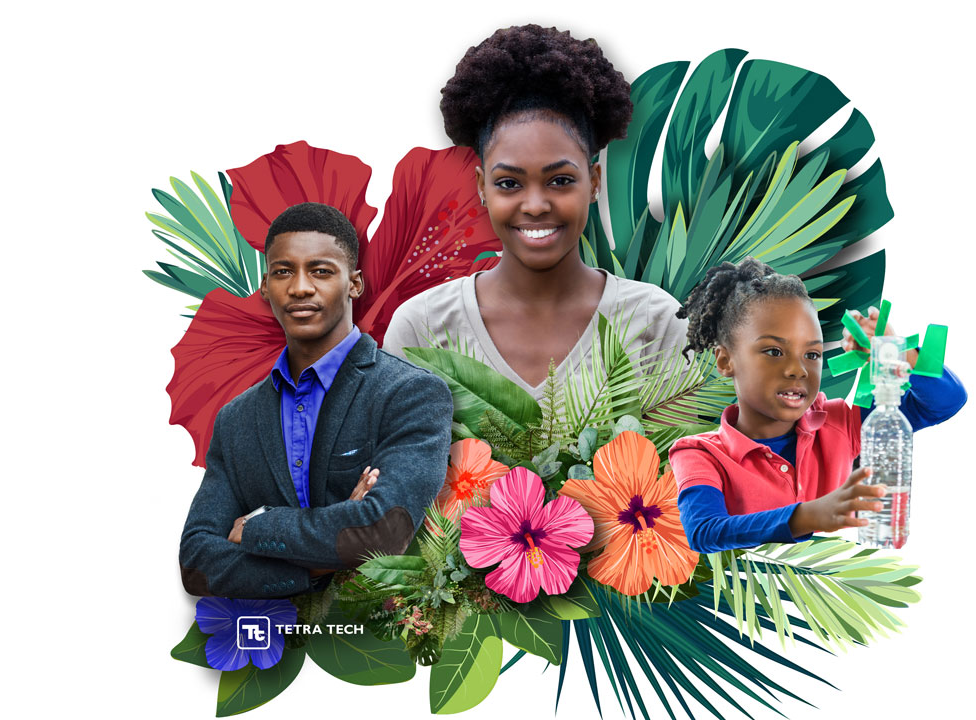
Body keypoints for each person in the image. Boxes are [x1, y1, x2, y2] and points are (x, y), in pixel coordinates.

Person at [384, 25, 687, 399]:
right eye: (509, 183)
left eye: (560, 181)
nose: (535, 205)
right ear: (481, 187)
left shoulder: (656, 323)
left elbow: (688, 457)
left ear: (594, 181)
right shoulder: (422, 327)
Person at [179, 202, 453, 598]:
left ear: (354, 284)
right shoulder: (236, 419)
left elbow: (384, 530)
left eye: (321, 271)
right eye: (283, 271)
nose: (300, 287)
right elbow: (197, 564)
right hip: (276, 635)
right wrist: (319, 566)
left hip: (380, 635)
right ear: (265, 285)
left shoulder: (410, 393)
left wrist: (257, 525)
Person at [668, 258, 967, 553]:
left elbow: (947, 400)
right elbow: (704, 531)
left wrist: (896, 352)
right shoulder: (698, 453)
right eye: (774, 351)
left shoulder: (842, 424)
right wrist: (812, 515)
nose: (797, 370)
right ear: (725, 360)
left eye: (812, 355)